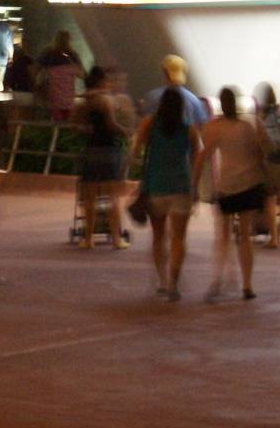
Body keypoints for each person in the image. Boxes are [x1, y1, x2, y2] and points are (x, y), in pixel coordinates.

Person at [130, 84, 203, 300]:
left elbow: (135, 150)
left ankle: (161, 280)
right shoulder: (188, 127)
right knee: (179, 238)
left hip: (155, 186)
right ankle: (174, 283)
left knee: (158, 236)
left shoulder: (149, 123)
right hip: (181, 186)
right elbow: (198, 153)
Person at [197, 87, 268, 301]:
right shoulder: (247, 125)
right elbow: (258, 153)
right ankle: (247, 285)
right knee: (245, 236)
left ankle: (218, 280)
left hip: (226, 185)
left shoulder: (214, 127)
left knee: (223, 236)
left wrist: (194, 182)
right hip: (248, 183)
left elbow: (205, 155)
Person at [73, 66, 131, 249]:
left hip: (90, 150)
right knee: (112, 197)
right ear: (100, 81)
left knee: (89, 198)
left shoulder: (83, 100)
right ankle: (116, 238)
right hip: (108, 149)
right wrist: (127, 132)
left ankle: (88, 238)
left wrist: (88, 130)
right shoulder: (106, 100)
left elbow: (74, 123)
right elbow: (111, 123)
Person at [254, 83, 280, 250]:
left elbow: (259, 141)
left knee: (269, 198)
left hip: (270, 163)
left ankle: (273, 238)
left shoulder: (259, 116)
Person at [141, 55, 212, 127]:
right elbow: (202, 125)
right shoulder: (193, 100)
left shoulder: (152, 97)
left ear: (165, 72)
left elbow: (145, 123)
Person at [38, 31, 81, 123]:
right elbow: (81, 74)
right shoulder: (72, 55)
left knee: (56, 121)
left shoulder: (48, 54)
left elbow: (35, 69)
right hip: (68, 94)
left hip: (53, 94)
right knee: (68, 121)